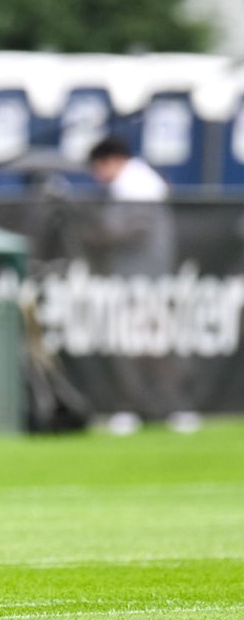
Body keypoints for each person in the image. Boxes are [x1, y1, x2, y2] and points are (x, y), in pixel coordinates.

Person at [86, 136, 196, 434]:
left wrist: (93, 231)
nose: (98, 178)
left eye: (98, 168)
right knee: (139, 345)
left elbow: (125, 231)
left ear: (110, 161)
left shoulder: (136, 184)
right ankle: (155, 409)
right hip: (139, 280)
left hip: (145, 282)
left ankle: (169, 408)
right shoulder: (137, 182)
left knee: (151, 345)